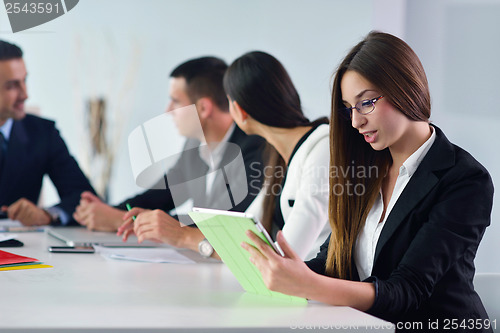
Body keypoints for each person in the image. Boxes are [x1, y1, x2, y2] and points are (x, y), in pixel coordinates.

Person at [242, 32, 493, 332]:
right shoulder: (364, 170)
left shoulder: (465, 180)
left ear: (405, 89)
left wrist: (308, 283)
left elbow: (408, 291)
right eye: (349, 108)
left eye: (367, 103)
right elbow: (333, 262)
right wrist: (288, 272)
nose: (355, 121)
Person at [121, 51, 331, 261]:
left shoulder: (321, 146)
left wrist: (183, 236)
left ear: (238, 110)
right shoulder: (279, 154)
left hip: (315, 290)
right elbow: (243, 238)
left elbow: (281, 261)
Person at [75, 57, 265, 257]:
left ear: (203, 108)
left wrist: (120, 219)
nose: (168, 111)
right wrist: (103, 211)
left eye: (175, 101)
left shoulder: (255, 150)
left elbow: (220, 223)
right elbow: (159, 196)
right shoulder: (195, 145)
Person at [0, 40, 95, 226]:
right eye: (12, 85)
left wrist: (48, 214)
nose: (25, 94)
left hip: (22, 249)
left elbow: (85, 198)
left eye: (24, 81)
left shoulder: (43, 133)